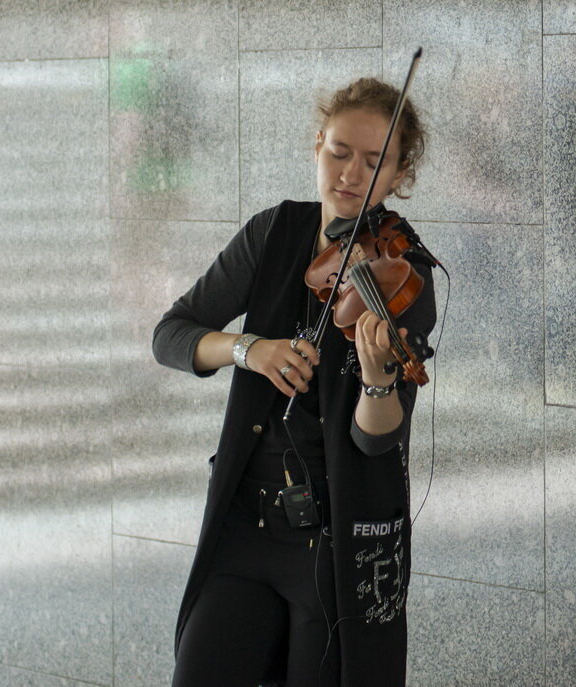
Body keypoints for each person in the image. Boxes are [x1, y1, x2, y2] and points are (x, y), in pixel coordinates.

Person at [153, 77, 437, 687]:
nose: (350, 175)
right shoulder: (273, 233)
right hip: (244, 527)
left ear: (398, 175)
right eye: (339, 152)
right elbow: (171, 334)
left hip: (336, 543)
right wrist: (246, 349)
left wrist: (379, 379)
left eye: (373, 162)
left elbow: (375, 441)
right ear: (317, 146)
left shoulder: (402, 273)